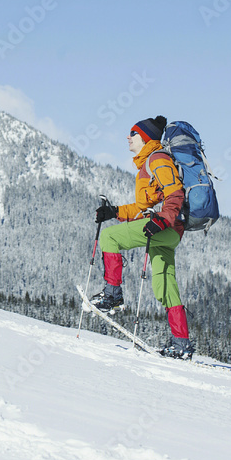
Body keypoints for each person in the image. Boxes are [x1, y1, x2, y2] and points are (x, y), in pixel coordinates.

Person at [91, 115, 193, 360]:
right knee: (164, 286)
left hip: (164, 227)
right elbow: (141, 208)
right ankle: (181, 343)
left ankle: (112, 294)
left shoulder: (157, 159)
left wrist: (161, 220)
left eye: (133, 133)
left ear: (145, 137)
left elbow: (175, 193)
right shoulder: (149, 163)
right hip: (169, 232)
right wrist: (115, 212)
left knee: (109, 238)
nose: (128, 137)